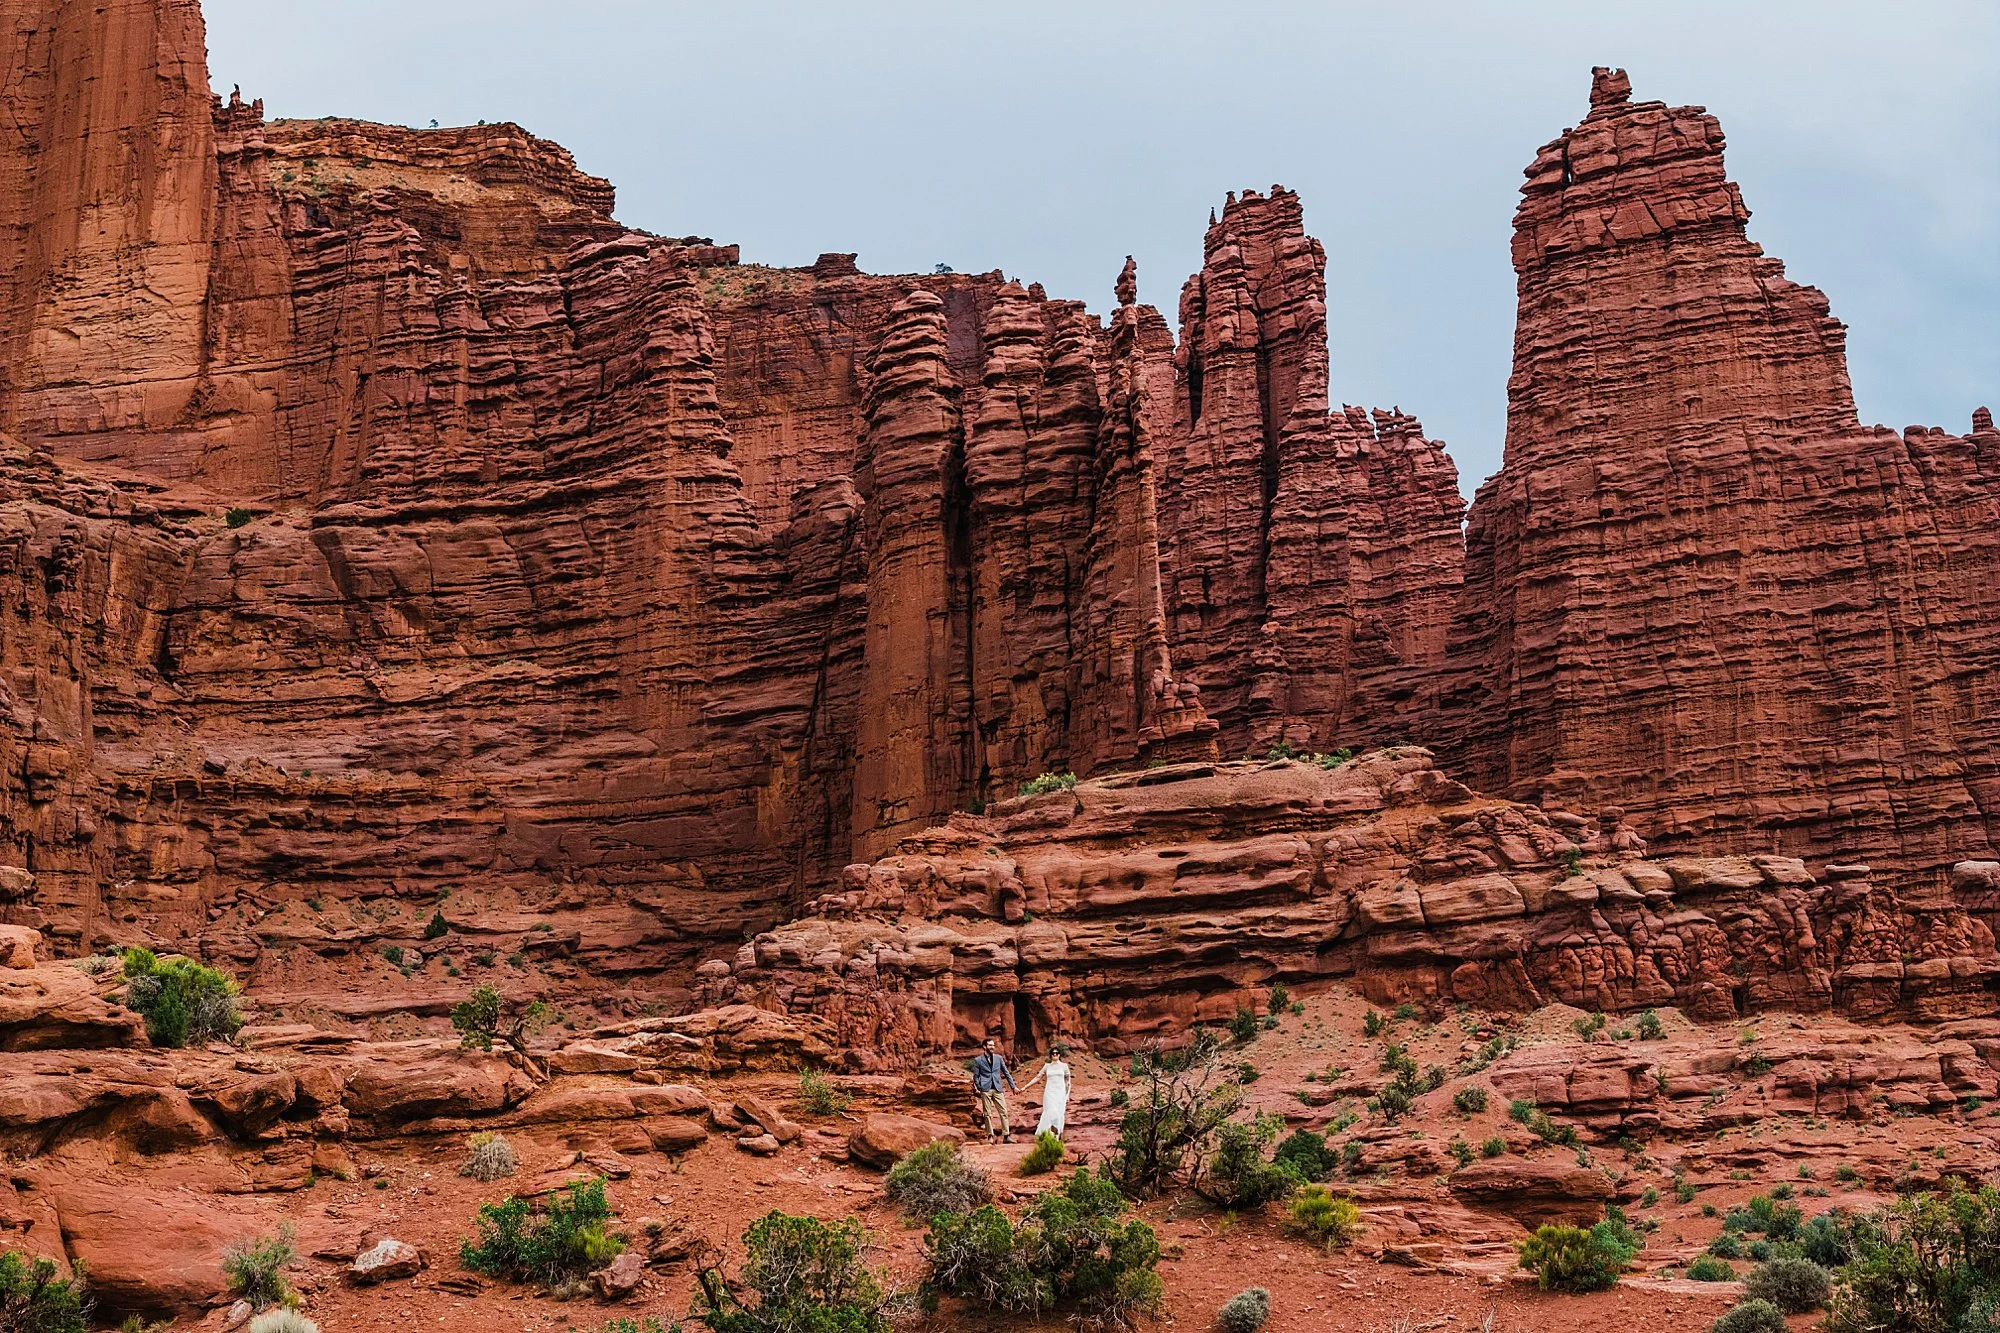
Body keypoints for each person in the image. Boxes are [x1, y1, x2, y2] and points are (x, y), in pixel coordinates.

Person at [970, 1037, 1018, 1143]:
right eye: (990, 1045)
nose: (992, 1047)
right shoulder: (978, 1060)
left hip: (997, 1088)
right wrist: (980, 1087)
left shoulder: (998, 1058)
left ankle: (1006, 1136)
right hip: (985, 1089)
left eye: (993, 1045)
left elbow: (1006, 1073)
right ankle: (990, 1135)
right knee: (987, 1114)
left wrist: (1013, 1086)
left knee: (1004, 1112)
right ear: (984, 1047)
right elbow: (976, 1076)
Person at [1024, 1044, 1072, 1138]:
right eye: (1053, 1053)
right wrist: (1026, 1087)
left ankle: (1055, 1135)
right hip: (1049, 1092)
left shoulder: (1064, 1066)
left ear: (1059, 1055)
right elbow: (1038, 1077)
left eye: (1057, 1053)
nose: (1055, 1055)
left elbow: (1068, 1082)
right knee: (1050, 1112)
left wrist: (1067, 1095)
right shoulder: (1047, 1066)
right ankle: (1046, 1134)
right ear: (1050, 1055)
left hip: (1060, 1093)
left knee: (1058, 1113)